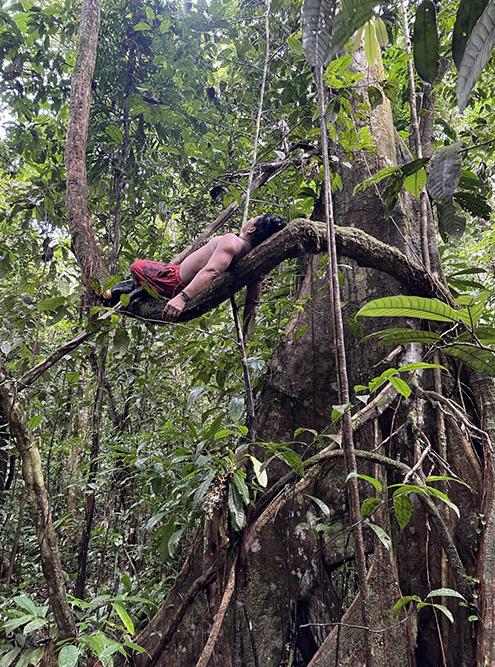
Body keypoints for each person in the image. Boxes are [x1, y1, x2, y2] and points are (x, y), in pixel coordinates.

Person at [104, 213, 286, 335]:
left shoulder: (232, 241)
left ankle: (129, 289)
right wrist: (245, 334)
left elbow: (212, 271)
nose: (250, 218)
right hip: (178, 281)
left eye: (253, 218)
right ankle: (130, 290)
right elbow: (251, 304)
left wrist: (182, 298)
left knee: (137, 265)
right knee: (147, 273)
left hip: (174, 280)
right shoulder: (256, 263)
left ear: (251, 229)